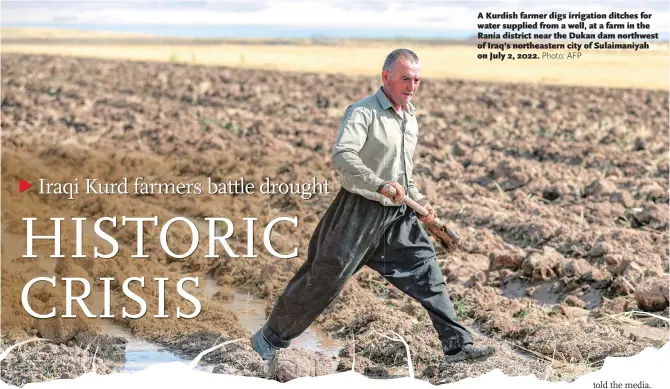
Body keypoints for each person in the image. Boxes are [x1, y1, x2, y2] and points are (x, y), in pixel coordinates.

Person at [251, 49, 495, 364]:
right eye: (405, 78)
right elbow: (343, 156)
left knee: (427, 272)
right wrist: (378, 183)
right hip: (357, 212)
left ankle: (457, 345)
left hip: (398, 215)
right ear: (386, 77)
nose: (412, 86)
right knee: (322, 280)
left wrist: (419, 202)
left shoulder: (410, 118)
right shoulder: (363, 112)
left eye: (417, 80)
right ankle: (269, 339)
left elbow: (404, 173)